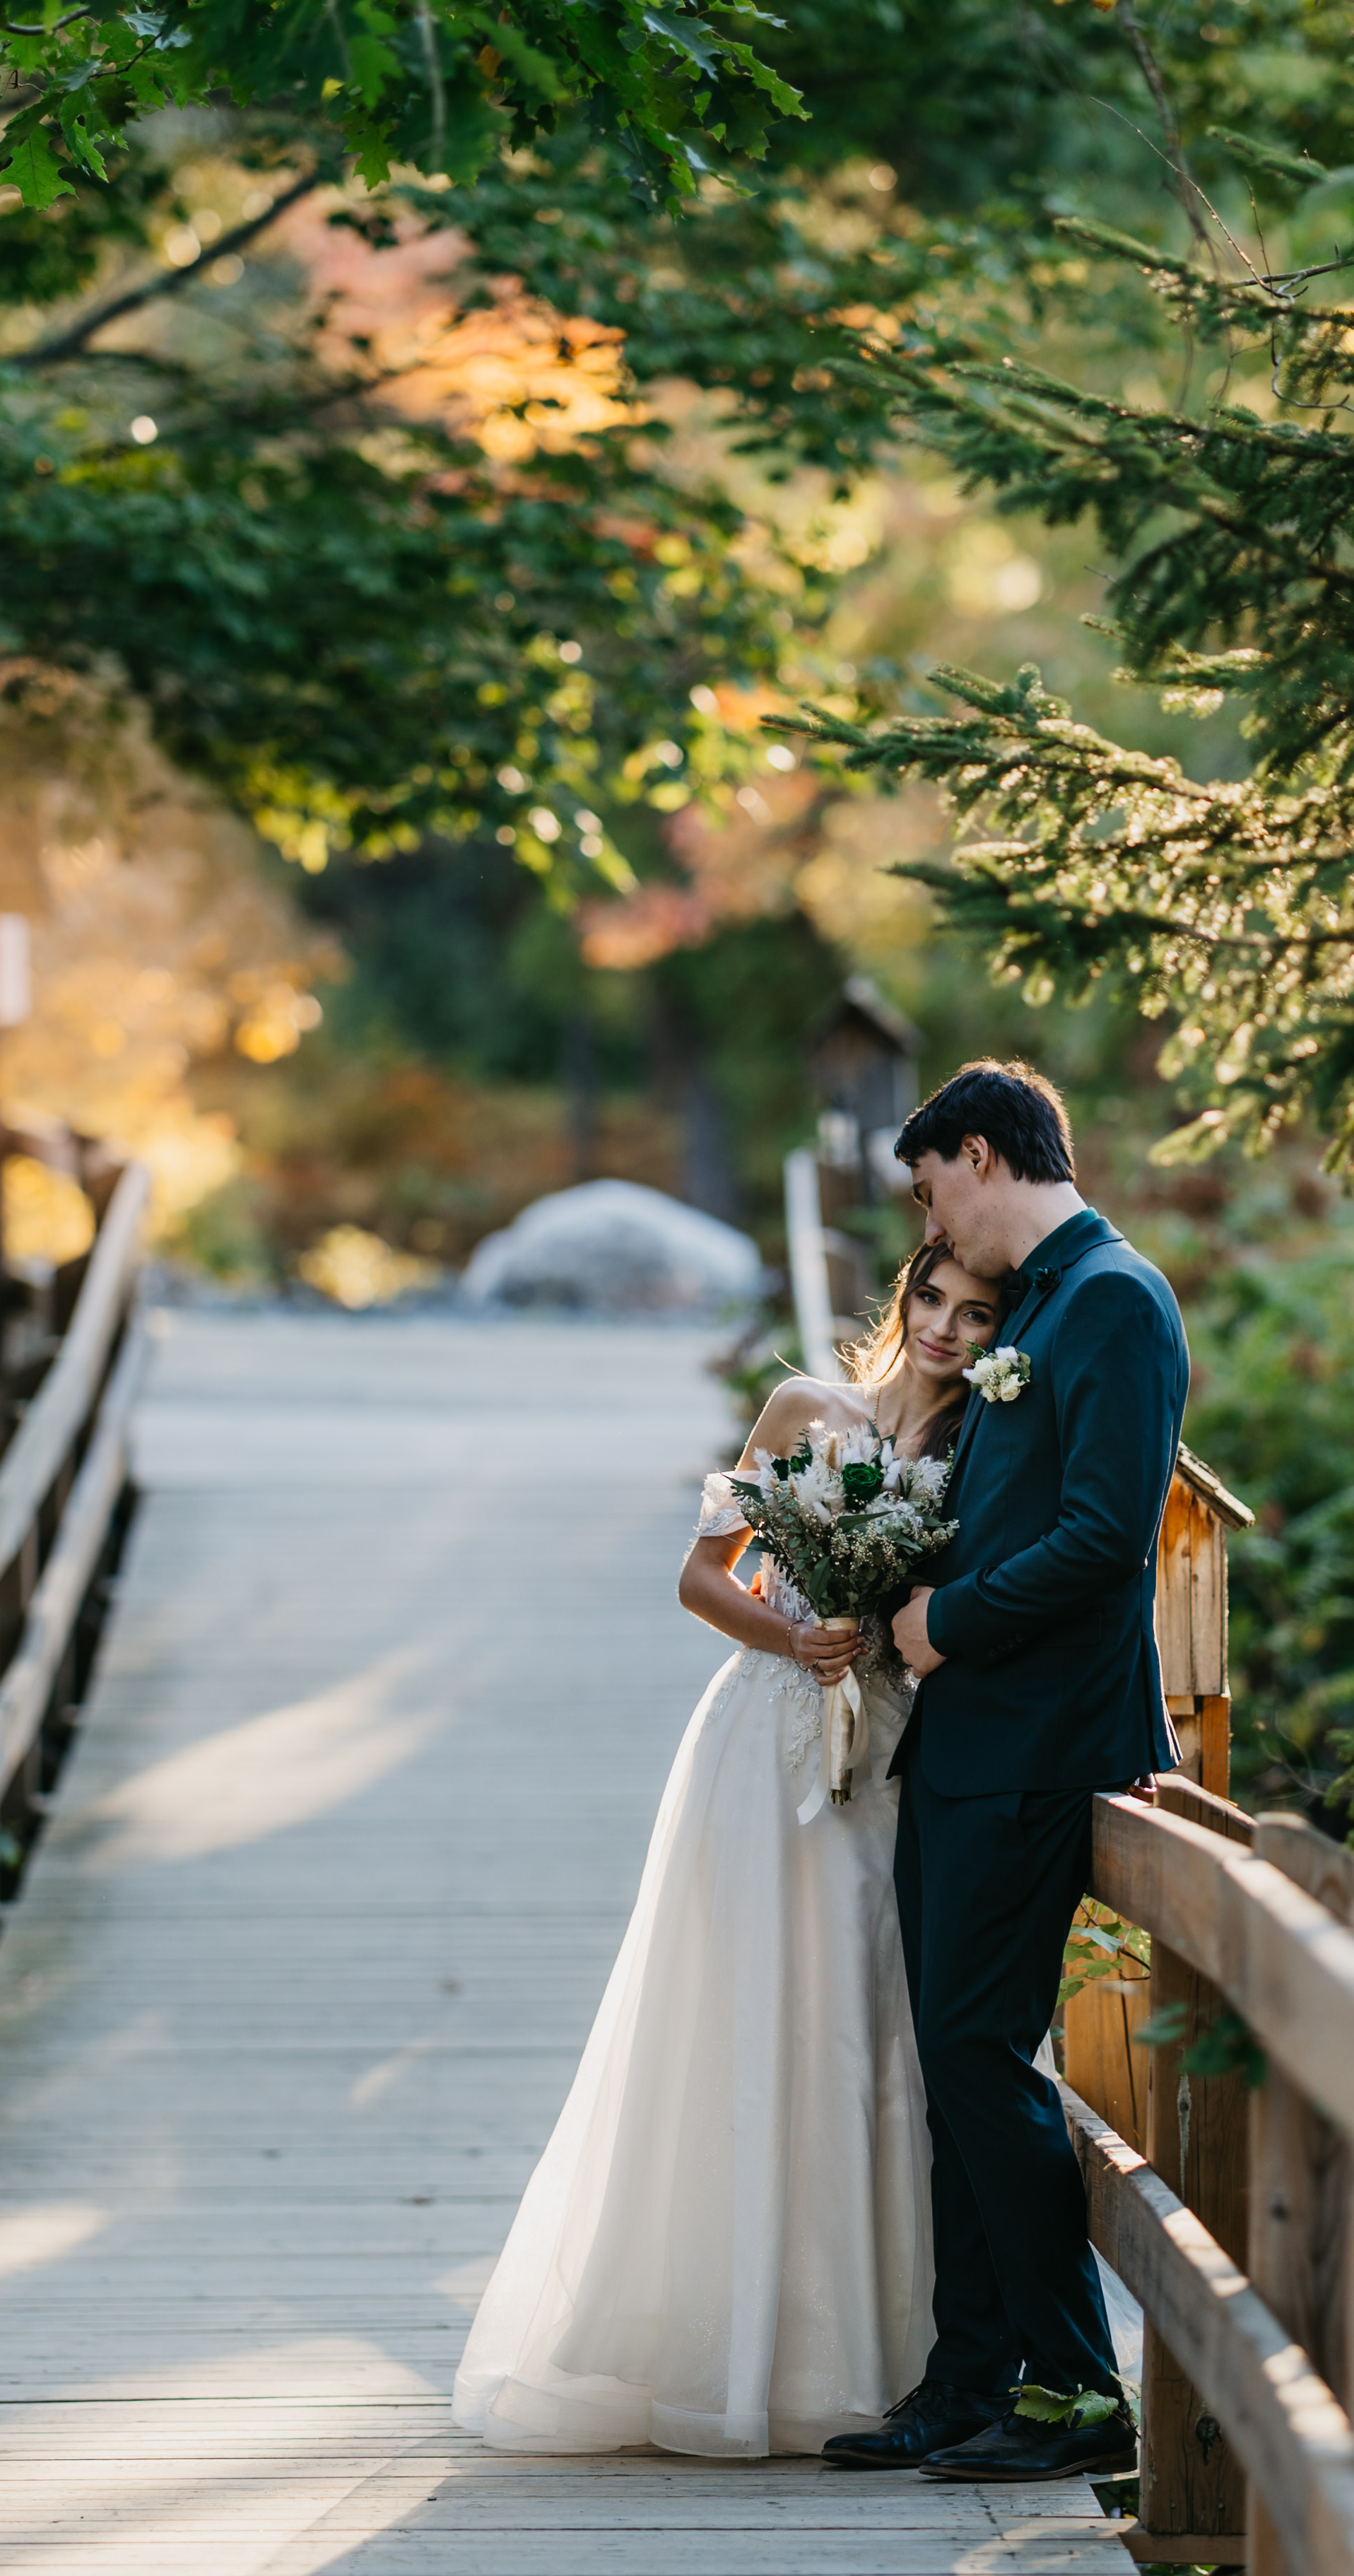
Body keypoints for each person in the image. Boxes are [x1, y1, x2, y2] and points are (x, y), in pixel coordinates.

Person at [451, 1241, 1008, 2457]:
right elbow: (704, 1577)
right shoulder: (807, 1410)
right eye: (933, 1300)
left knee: (863, 2019)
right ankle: (713, 2343)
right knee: (741, 2008)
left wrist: (890, 1642)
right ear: (905, 1297)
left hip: (887, 1755)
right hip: (763, 1740)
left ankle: (866, 2357)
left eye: (977, 1317)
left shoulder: (982, 1455)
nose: (947, 1331)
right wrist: (789, 1637)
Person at [824, 1061, 1187, 2484]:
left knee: (982, 2052)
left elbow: (1107, 1533)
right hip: (968, 1737)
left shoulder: (1111, 1298)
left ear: (980, 1152)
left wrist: (942, 1619)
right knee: (953, 2058)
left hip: (1039, 1738)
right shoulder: (1036, 1306)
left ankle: (1080, 2387)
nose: (932, 1220)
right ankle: (969, 2371)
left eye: (931, 1187)